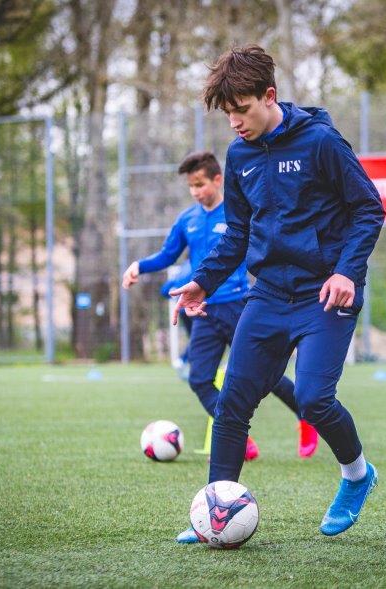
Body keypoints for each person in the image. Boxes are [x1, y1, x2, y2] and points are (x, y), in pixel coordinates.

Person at [171, 45, 385, 541]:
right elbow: (238, 233)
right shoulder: (240, 155)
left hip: (325, 293)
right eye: (227, 114)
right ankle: (215, 512)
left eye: (241, 110)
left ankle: (357, 475)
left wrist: (346, 272)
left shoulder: (321, 142)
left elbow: (368, 208)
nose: (234, 123)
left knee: (313, 398)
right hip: (268, 294)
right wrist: (203, 281)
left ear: (269, 96)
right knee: (232, 404)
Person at [121, 151, 319, 466]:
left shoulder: (237, 214)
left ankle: (306, 417)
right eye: (191, 186)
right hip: (204, 310)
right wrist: (139, 266)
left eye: (200, 184)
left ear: (217, 180)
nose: (195, 191)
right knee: (199, 379)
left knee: (266, 374)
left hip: (239, 307)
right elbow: (168, 255)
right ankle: (238, 436)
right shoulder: (187, 220)